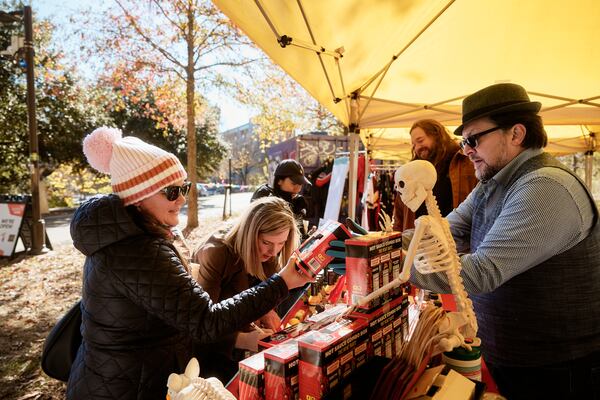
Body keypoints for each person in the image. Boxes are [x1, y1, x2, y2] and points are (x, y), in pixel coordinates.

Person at [66, 127, 310, 400]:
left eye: (184, 188)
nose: (182, 198)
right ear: (138, 195)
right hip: (123, 386)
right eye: (171, 191)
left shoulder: (135, 239)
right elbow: (205, 322)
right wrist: (282, 283)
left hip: (130, 377)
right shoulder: (138, 249)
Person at [408, 83, 600, 399]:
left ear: (515, 134)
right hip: (519, 359)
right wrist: (386, 246)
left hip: (557, 368)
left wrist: (388, 267)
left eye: (473, 139)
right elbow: (443, 232)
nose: (466, 149)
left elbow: (481, 272)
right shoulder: (494, 182)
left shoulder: (545, 187)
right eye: (463, 141)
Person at [191, 196, 299, 382]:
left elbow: (258, 291)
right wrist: (241, 339)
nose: (274, 252)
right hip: (206, 361)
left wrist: (267, 310)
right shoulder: (216, 252)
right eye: (267, 243)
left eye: (281, 243)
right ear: (250, 233)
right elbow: (200, 324)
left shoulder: (270, 252)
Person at [393, 119, 477, 231]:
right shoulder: (410, 173)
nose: (417, 147)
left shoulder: (464, 162)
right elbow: (399, 211)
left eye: (420, 140)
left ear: (436, 135)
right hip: (418, 241)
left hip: (456, 240)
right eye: (414, 144)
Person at [251, 158, 311, 237]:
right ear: (279, 180)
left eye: (301, 184)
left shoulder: (298, 201)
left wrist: (307, 237)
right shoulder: (265, 196)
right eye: (294, 183)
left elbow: (299, 235)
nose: (298, 189)